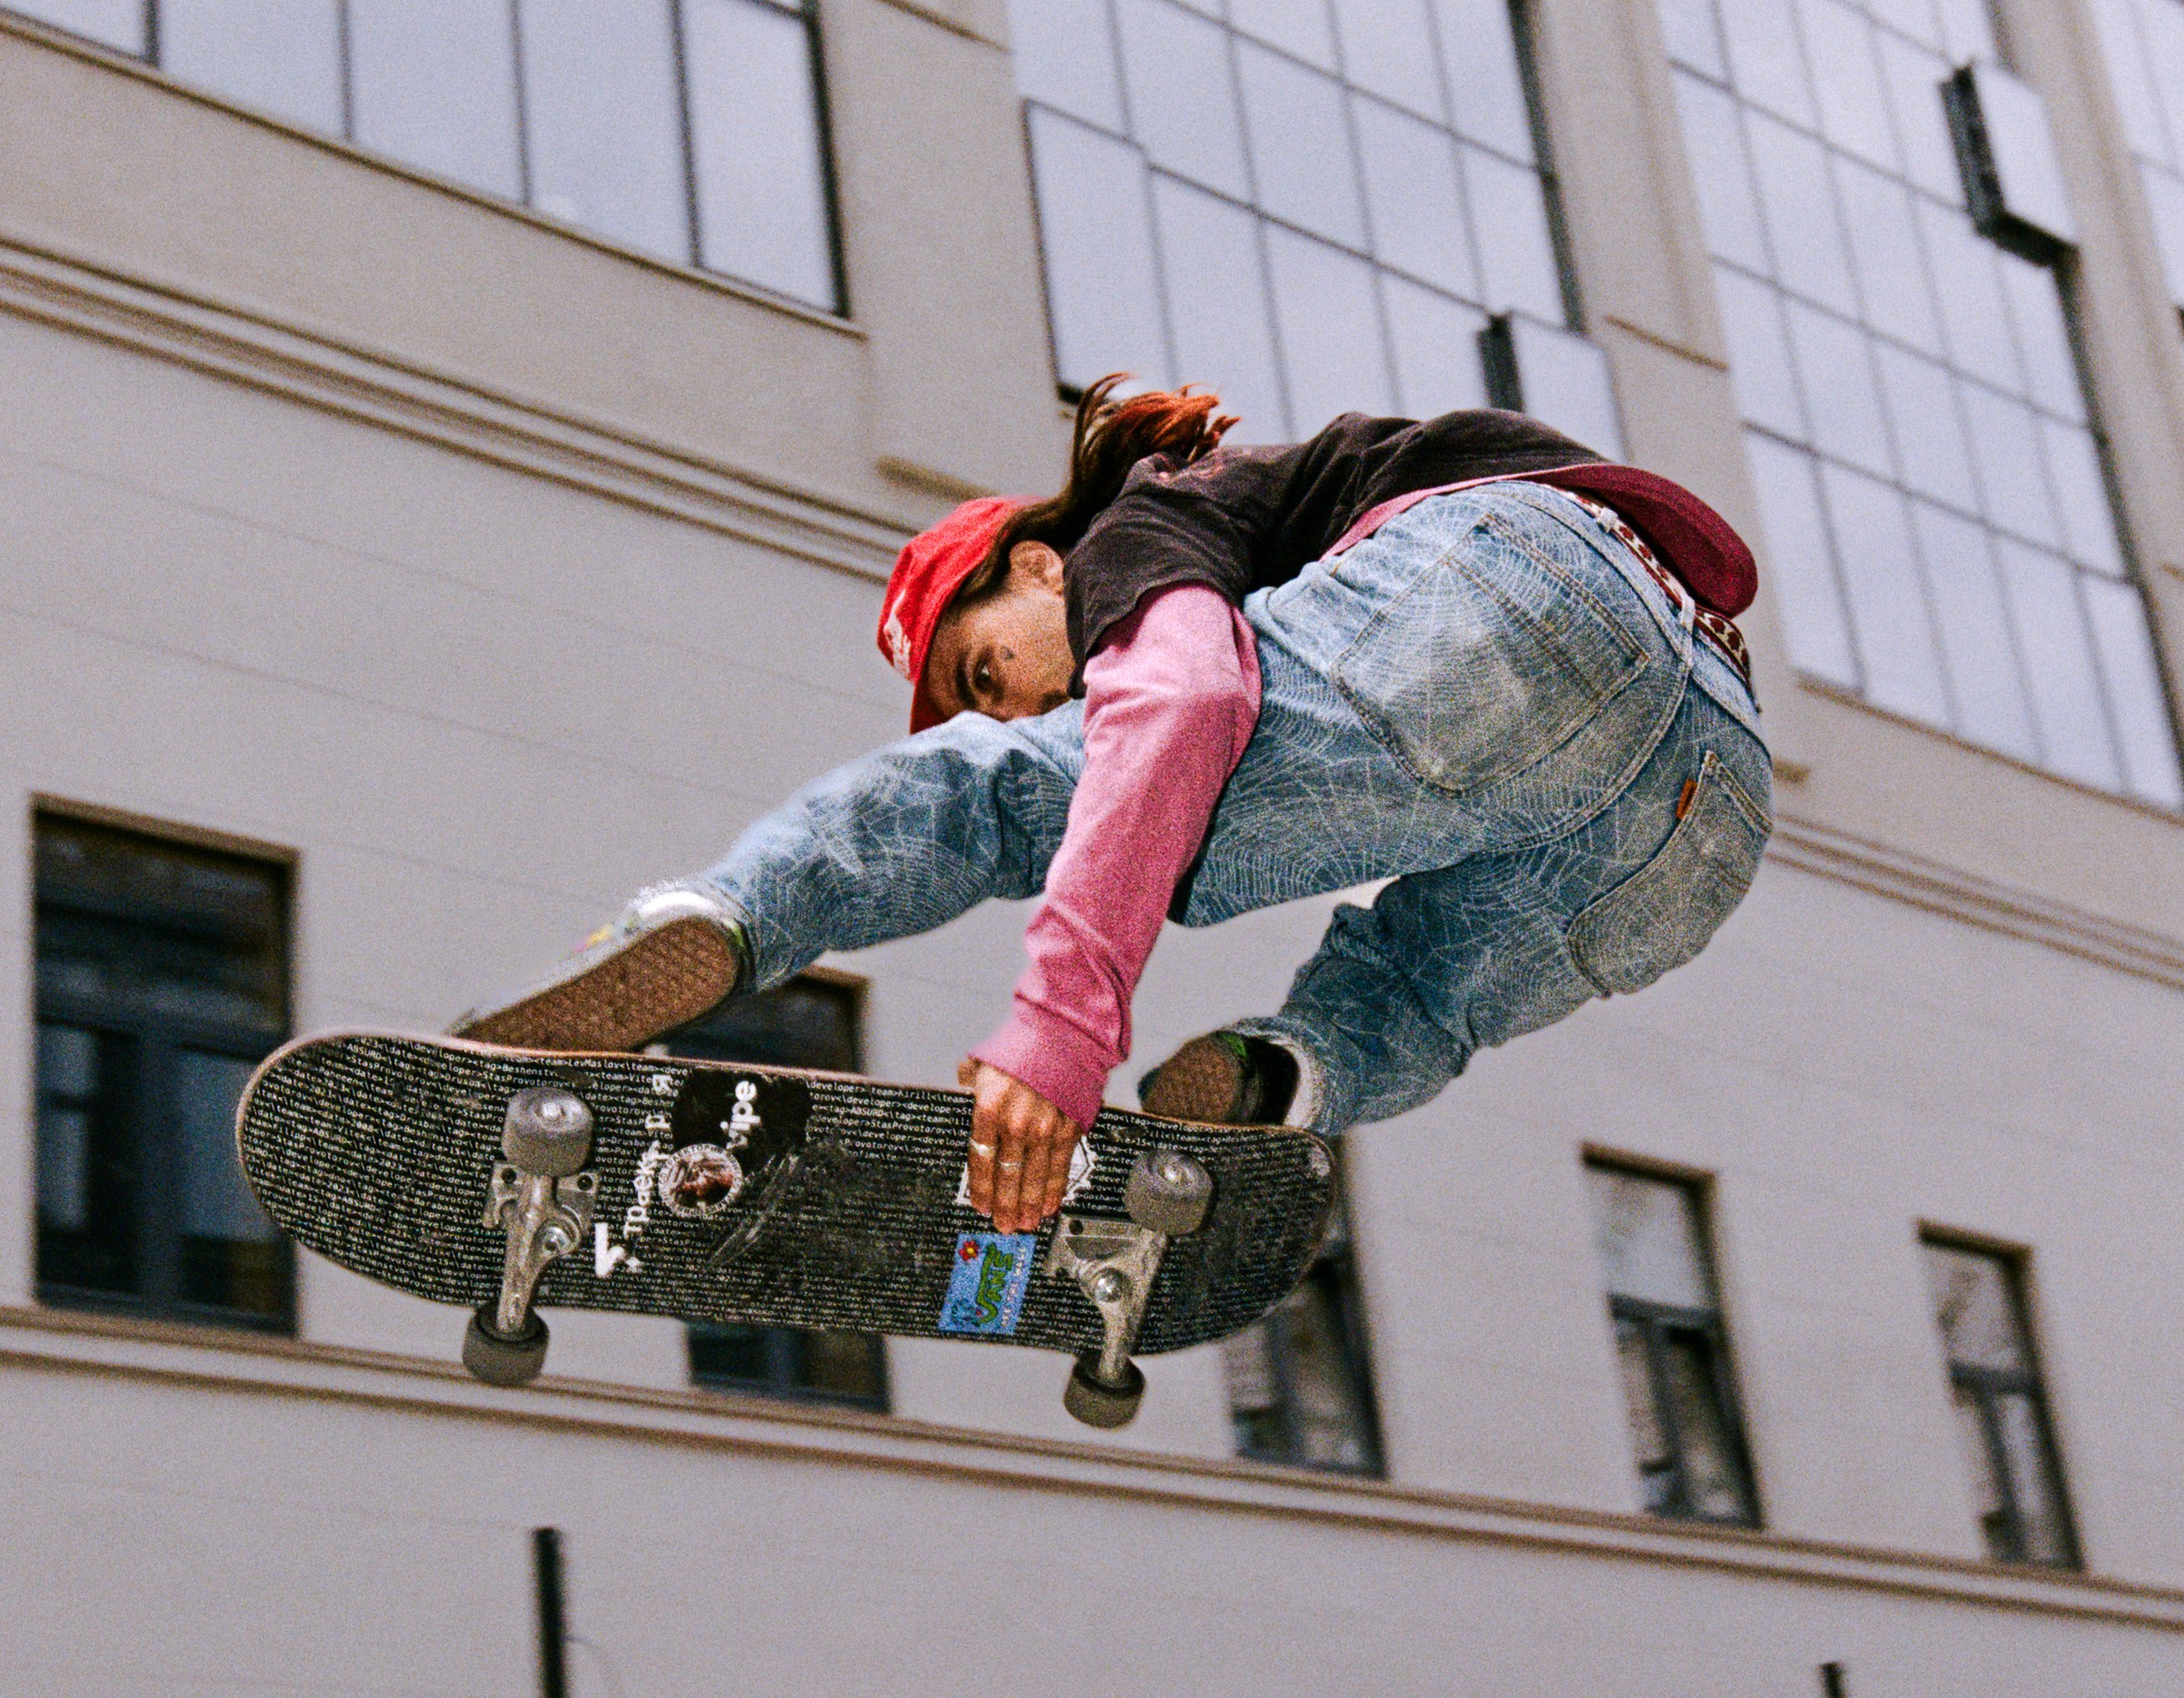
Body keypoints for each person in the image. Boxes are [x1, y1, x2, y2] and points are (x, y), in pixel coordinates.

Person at [460, 388, 1770, 1235]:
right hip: (1709, 789)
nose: (1021, 705)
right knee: (1424, 994)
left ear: (1035, 565)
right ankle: (1279, 1079)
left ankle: (726, 914)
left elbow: (1186, 697)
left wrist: (1060, 1034)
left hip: (1515, 593)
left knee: (996, 799)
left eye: (989, 671)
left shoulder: (1133, 531)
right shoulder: (1237, 523)